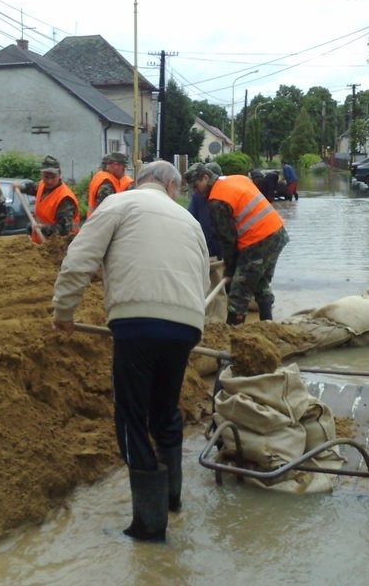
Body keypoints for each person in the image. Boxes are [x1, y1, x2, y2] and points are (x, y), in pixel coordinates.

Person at [52, 160, 210, 542]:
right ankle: (172, 500)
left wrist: (63, 312)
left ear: (140, 181)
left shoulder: (120, 204)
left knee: (131, 416)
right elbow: (203, 276)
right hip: (186, 325)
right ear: (172, 187)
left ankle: (149, 525)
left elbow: (79, 259)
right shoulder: (189, 221)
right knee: (165, 409)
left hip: (137, 321)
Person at [185, 162, 289, 325]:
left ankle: (234, 335)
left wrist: (231, 269)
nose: (195, 191)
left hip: (258, 240)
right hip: (277, 233)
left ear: (205, 177)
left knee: (238, 292)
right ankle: (268, 326)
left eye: (196, 186)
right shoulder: (237, 179)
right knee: (261, 282)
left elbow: (227, 239)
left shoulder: (217, 200)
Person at [14, 155, 80, 243]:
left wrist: (43, 228)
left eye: (53, 177)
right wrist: (21, 187)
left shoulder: (65, 198)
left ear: (59, 175)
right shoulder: (42, 185)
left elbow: (63, 230)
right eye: (46, 177)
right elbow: (34, 188)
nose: (49, 181)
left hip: (59, 247)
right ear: (41, 175)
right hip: (41, 243)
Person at [187, 161, 222, 258]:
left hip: (212, 247)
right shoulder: (198, 196)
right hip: (209, 246)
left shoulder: (198, 195)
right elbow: (190, 219)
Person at [86, 152, 133, 218]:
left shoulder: (99, 176)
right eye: (124, 168)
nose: (124, 172)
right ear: (115, 165)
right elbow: (107, 211)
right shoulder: (107, 183)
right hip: (102, 224)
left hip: (94, 221)